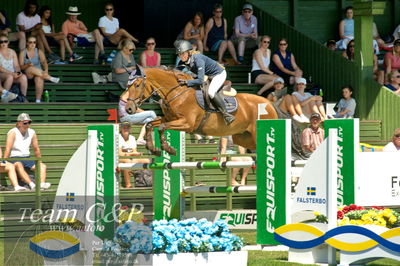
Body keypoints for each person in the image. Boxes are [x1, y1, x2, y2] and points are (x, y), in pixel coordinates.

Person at [175, 40, 235, 125]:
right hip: (209, 75)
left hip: (218, 74)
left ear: (189, 52)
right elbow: (176, 71)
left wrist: (187, 82)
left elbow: (200, 80)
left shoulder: (198, 59)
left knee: (211, 92)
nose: (181, 56)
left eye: (183, 53)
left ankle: (226, 114)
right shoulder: (184, 61)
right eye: (179, 55)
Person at [4, 113, 50, 190]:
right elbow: (8, 148)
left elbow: (36, 148)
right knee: (18, 165)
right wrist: (4, 161)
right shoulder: (13, 132)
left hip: (27, 157)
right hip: (15, 157)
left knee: (42, 166)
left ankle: (41, 184)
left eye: (29, 122)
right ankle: (32, 185)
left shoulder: (32, 132)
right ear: (19, 123)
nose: (27, 125)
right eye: (25, 123)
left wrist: (39, 161)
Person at [19, 36, 60, 102]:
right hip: (28, 76)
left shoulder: (38, 51)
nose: (32, 44)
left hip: (40, 74)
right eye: (30, 42)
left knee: (39, 78)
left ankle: (38, 100)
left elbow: (44, 62)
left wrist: (46, 70)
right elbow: (20, 67)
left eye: (34, 42)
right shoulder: (23, 52)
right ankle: (50, 78)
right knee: (31, 68)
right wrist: (27, 65)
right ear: (27, 43)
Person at [119, 122, 150, 188]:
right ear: (121, 128)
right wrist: (132, 154)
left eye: (127, 127)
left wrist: (137, 154)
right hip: (119, 158)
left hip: (130, 157)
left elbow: (134, 151)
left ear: (130, 129)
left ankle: (147, 182)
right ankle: (128, 185)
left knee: (146, 160)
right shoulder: (118, 137)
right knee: (127, 161)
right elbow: (120, 153)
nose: (126, 129)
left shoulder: (132, 138)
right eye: (124, 127)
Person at [0, 34, 27, 102]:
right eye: (1, 42)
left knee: (23, 77)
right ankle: (4, 97)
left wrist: (18, 72)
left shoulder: (12, 52)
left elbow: (16, 66)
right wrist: (12, 73)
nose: (3, 43)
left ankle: (23, 97)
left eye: (5, 41)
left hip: (12, 73)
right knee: (10, 77)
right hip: (2, 74)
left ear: (8, 42)